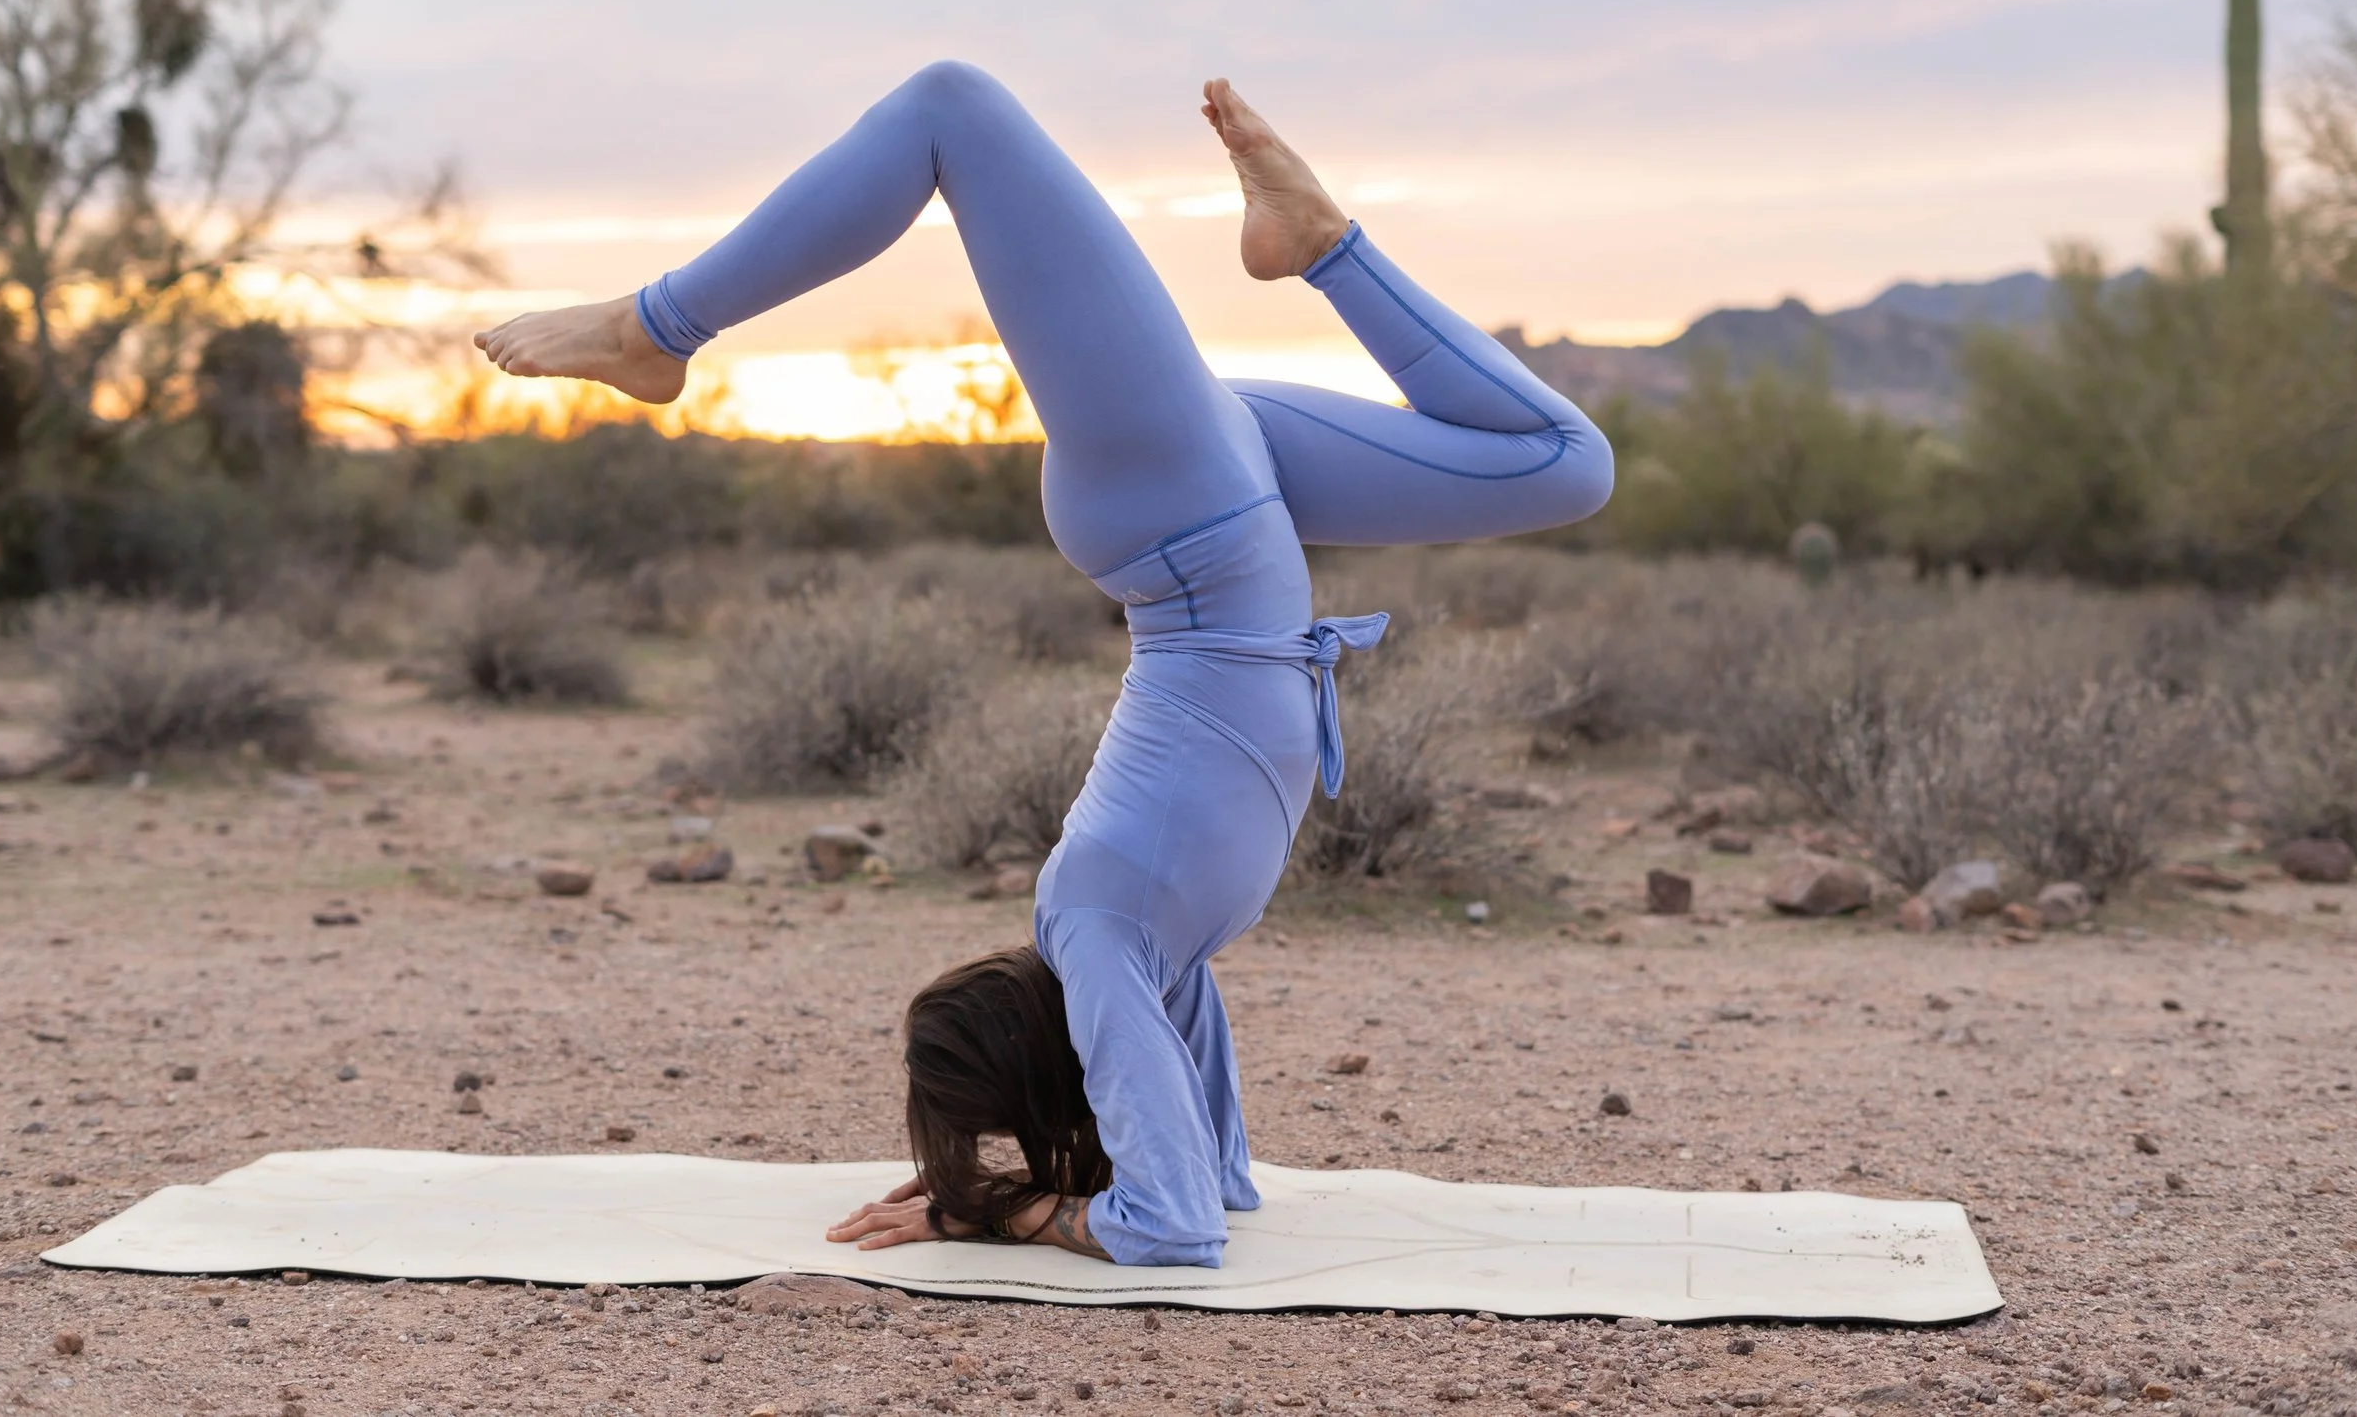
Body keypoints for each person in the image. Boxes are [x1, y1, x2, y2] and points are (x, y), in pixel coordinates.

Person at [475, 64, 1612, 1266]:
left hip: (1185, 512)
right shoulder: (1129, 946)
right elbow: (1195, 1205)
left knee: (954, 110)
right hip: (1207, 509)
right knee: (1562, 462)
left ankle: (656, 327)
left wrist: (992, 1198)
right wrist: (1010, 1194)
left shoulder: (1103, 933)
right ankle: (654, 333)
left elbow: (1169, 1195)